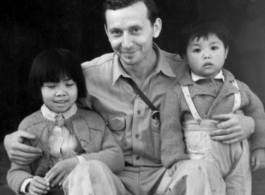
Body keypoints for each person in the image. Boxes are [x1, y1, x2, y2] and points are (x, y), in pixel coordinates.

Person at [4, 1, 255, 195]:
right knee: (87, 170)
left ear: (155, 27)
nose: (126, 43)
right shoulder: (87, 76)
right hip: (112, 179)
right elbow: (52, 109)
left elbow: (229, 96)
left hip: (169, 177)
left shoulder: (188, 70)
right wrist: (11, 139)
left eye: (135, 30)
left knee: (202, 168)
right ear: (106, 31)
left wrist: (249, 124)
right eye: (116, 32)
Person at [160, 20, 265, 195]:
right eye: (197, 50)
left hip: (238, 156)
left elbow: (257, 113)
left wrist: (260, 146)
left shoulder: (239, 87)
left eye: (214, 48)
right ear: (185, 57)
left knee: (239, 189)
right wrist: (175, 159)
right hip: (201, 156)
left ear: (226, 52)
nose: (206, 55)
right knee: (206, 188)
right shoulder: (177, 93)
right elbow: (170, 128)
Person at [6, 49, 124, 195]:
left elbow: (117, 158)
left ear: (78, 86)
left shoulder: (93, 120)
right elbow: (16, 171)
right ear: (39, 89)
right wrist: (29, 183)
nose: (61, 92)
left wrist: (80, 162)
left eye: (69, 85)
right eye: (51, 86)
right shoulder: (28, 126)